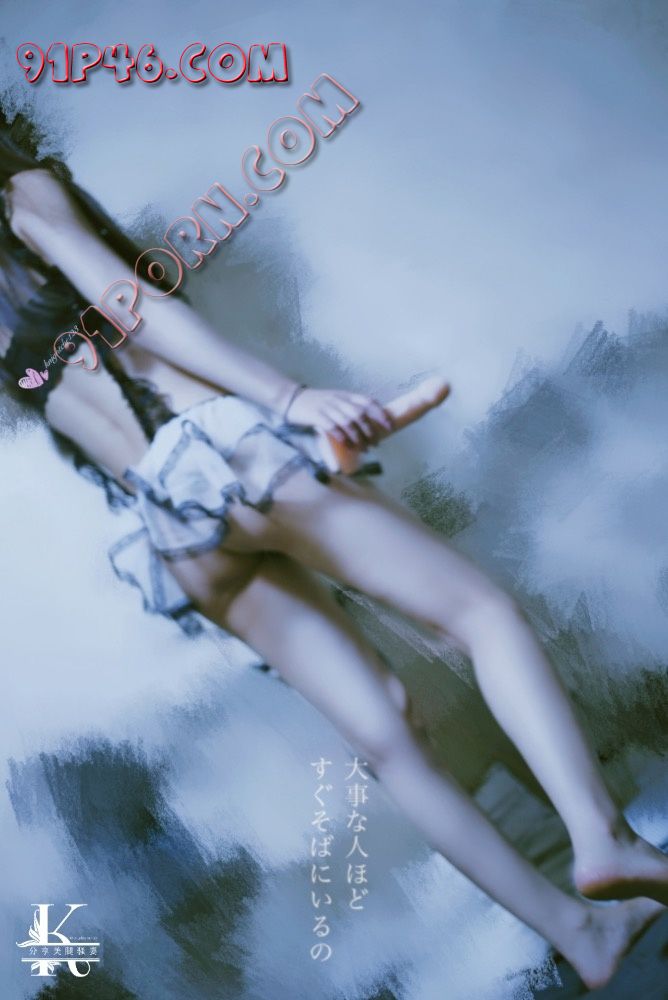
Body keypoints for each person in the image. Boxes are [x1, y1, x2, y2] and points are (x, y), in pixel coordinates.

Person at [1, 108, 666, 992]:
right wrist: (289, 399)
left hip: (168, 526)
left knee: (386, 735)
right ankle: (603, 840)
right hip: (222, 450)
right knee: (481, 614)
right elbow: (131, 308)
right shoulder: (22, 193)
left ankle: (579, 932)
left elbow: (68, 400)